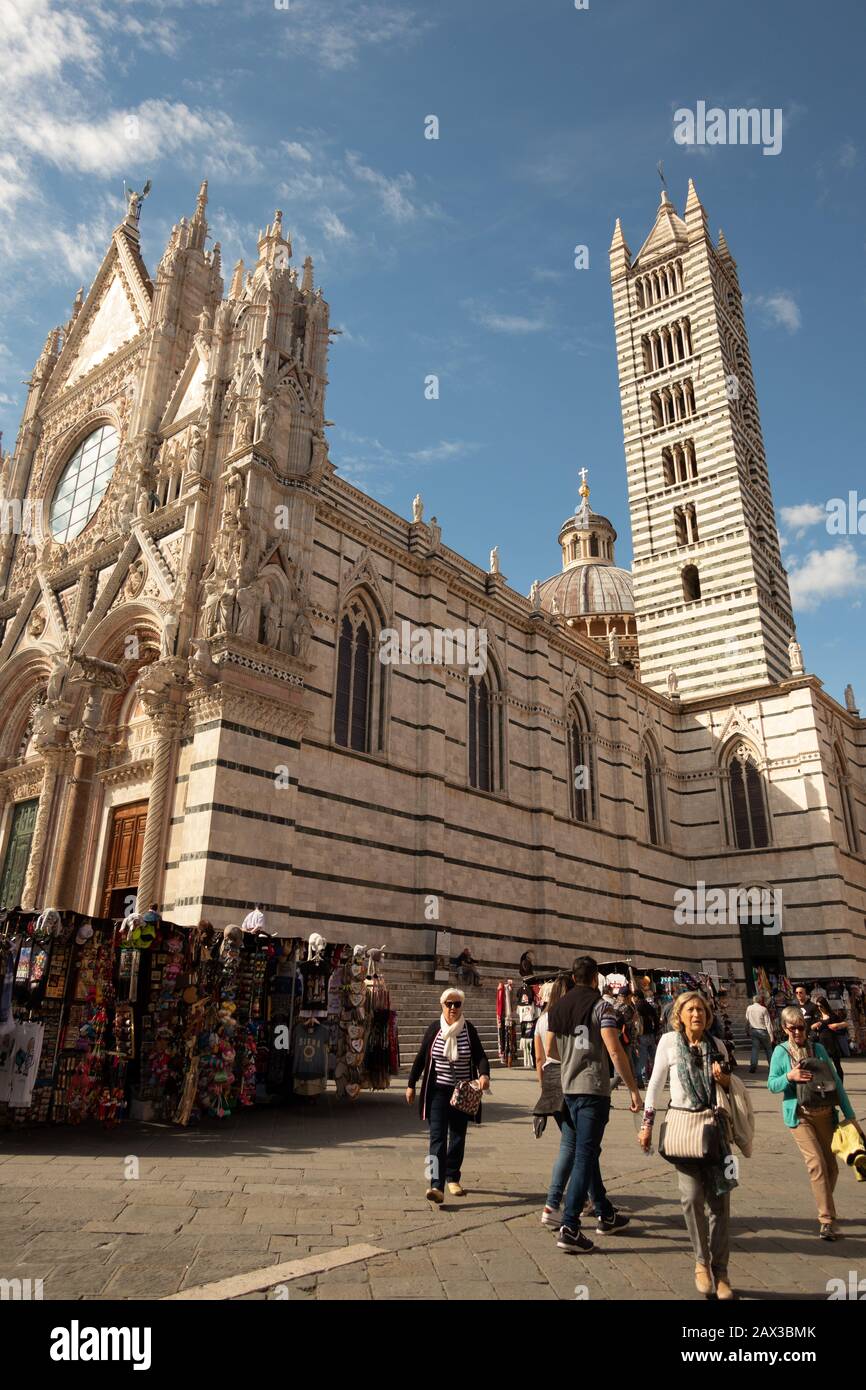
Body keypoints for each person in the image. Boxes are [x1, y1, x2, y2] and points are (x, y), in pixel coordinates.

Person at [638, 991, 736, 1300]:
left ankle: (721, 1272)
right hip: (684, 1132)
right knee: (692, 1199)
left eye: (702, 1010)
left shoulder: (718, 1046)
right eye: (691, 1009)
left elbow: (731, 1088)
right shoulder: (668, 1043)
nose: (697, 1014)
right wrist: (647, 1125)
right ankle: (700, 1262)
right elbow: (654, 1084)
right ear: (679, 1016)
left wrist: (723, 1079)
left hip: (717, 1132)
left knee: (721, 1204)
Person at [546, 956, 640, 1252]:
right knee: (585, 1155)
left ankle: (605, 1213)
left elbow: (550, 1049)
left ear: (574, 978)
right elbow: (614, 1051)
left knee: (585, 1152)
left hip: (567, 1090)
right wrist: (633, 1090)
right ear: (595, 979)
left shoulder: (557, 1008)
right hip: (593, 1090)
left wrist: (571, 1061)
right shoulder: (603, 1007)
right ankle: (570, 1226)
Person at [768, 1005, 862, 1240]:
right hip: (800, 1115)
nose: (798, 1033)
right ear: (784, 1029)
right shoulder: (781, 1052)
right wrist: (790, 1077)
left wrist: (850, 1116)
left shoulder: (818, 1049)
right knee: (817, 1165)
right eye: (793, 1029)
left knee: (831, 1168)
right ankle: (827, 1220)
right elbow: (771, 1085)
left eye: (801, 1028)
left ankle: (823, 1200)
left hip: (826, 1114)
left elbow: (837, 1084)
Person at [406, 988, 490, 1203]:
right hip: (438, 1092)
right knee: (437, 1137)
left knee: (458, 1136)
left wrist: (484, 1075)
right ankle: (435, 1184)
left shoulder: (468, 1029)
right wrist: (411, 1084)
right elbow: (421, 1057)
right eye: (449, 1004)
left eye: (457, 1004)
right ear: (442, 1005)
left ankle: (452, 1176)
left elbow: (480, 1056)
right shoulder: (434, 1028)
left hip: (462, 1092)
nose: (453, 1008)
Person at [533, 974, 577, 1229]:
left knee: (576, 1143)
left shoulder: (541, 1020)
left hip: (550, 1079)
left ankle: (594, 1199)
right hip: (569, 1078)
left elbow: (539, 1059)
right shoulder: (568, 1015)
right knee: (575, 1144)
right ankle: (554, 1202)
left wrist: (544, 1090)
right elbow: (552, 1050)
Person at [809, 996, 847, 1083]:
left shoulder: (832, 1016)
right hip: (821, 1043)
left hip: (832, 1043)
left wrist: (837, 1025)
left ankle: (840, 1084)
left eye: (821, 1006)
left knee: (837, 1065)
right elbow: (811, 1027)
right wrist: (814, 1026)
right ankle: (825, 1084)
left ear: (825, 1005)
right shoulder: (817, 1016)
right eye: (818, 1006)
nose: (819, 1008)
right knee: (822, 1066)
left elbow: (845, 1024)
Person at [633, 988, 659, 1086]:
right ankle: (656, 1078)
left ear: (636, 997)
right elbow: (656, 1019)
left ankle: (641, 1079)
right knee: (654, 1058)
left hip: (642, 1034)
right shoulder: (649, 1005)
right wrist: (655, 1031)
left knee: (642, 1059)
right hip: (651, 1034)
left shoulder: (637, 1006)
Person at [745, 995, 775, 1072]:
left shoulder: (749, 1008)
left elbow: (747, 1021)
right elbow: (768, 1023)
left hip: (753, 1031)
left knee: (755, 1048)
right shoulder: (763, 1009)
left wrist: (747, 1030)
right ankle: (772, 1066)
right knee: (768, 1049)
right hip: (763, 1031)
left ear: (753, 1000)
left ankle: (753, 1065)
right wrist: (771, 1035)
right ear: (760, 1001)